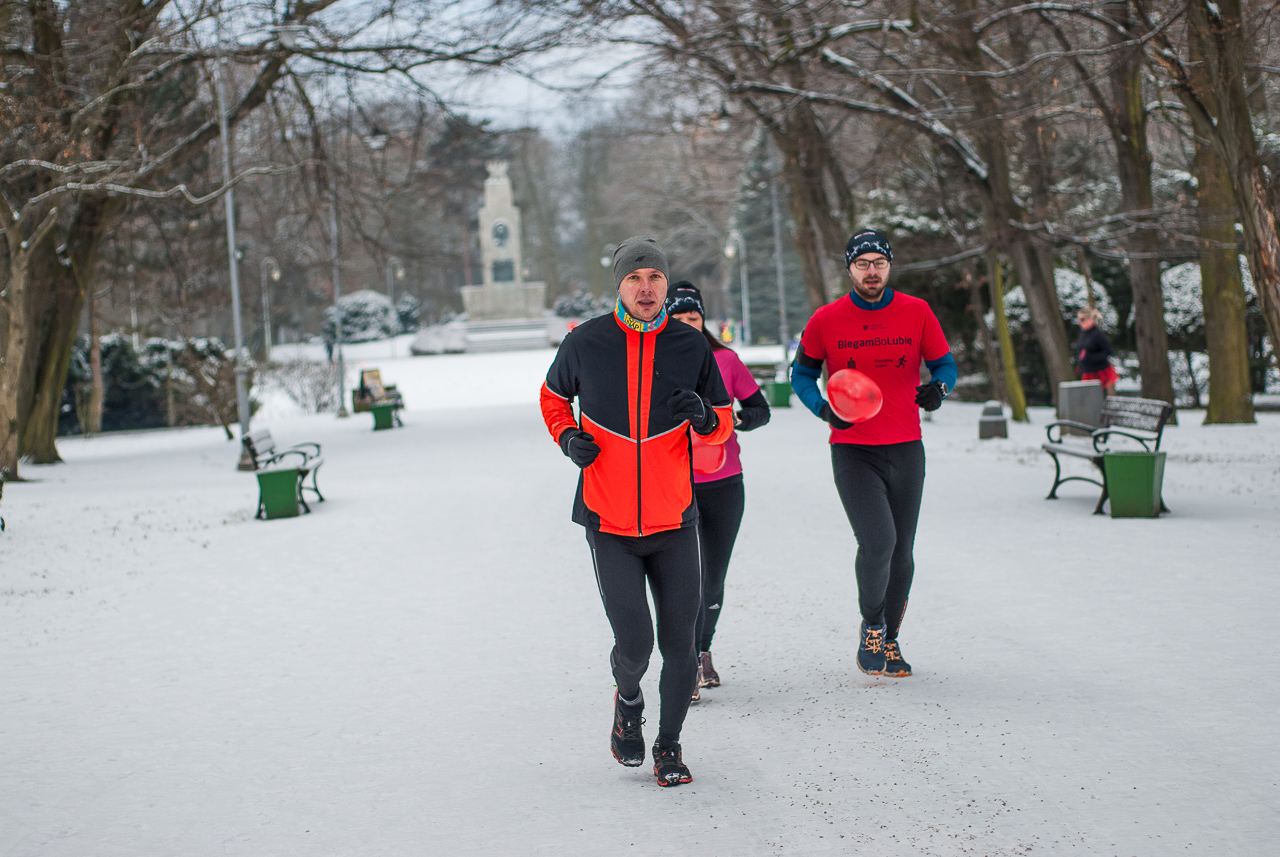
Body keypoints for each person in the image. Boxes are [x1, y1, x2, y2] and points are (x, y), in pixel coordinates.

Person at [539, 237, 734, 787]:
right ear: (619, 286)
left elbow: (723, 418)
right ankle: (628, 700)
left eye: (654, 278)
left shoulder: (690, 345)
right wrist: (568, 436)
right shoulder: (587, 342)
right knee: (635, 645)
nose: (645, 288)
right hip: (610, 521)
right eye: (634, 279)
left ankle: (668, 747)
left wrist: (702, 416)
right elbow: (553, 398)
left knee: (681, 646)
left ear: (666, 285)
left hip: (675, 519)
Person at [789, 229, 957, 677]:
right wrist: (824, 409)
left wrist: (940, 388)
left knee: (903, 551)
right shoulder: (826, 319)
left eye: (878, 263)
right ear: (849, 268)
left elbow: (944, 363)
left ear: (889, 266)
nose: (871, 271)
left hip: (906, 448)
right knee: (878, 541)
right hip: (853, 450)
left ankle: (893, 640)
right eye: (862, 263)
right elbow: (801, 375)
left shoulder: (917, 312)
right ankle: (873, 625)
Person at [664, 282, 771, 701]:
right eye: (679, 319)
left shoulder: (726, 360)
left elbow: (759, 408)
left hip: (725, 483)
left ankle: (701, 651)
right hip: (674, 483)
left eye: (693, 318)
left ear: (703, 319)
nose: (688, 326)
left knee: (713, 579)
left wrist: (742, 421)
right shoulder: (655, 363)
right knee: (684, 579)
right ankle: (684, 663)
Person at [1075, 307, 1117, 395]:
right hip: (1088, 372)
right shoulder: (1083, 334)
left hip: (1101, 372)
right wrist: (1080, 364)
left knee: (1105, 397)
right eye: (1079, 319)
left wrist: (1092, 358)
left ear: (1091, 319)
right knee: (1089, 398)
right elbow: (1082, 352)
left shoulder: (1098, 334)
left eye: (1083, 319)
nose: (1080, 322)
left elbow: (1108, 351)